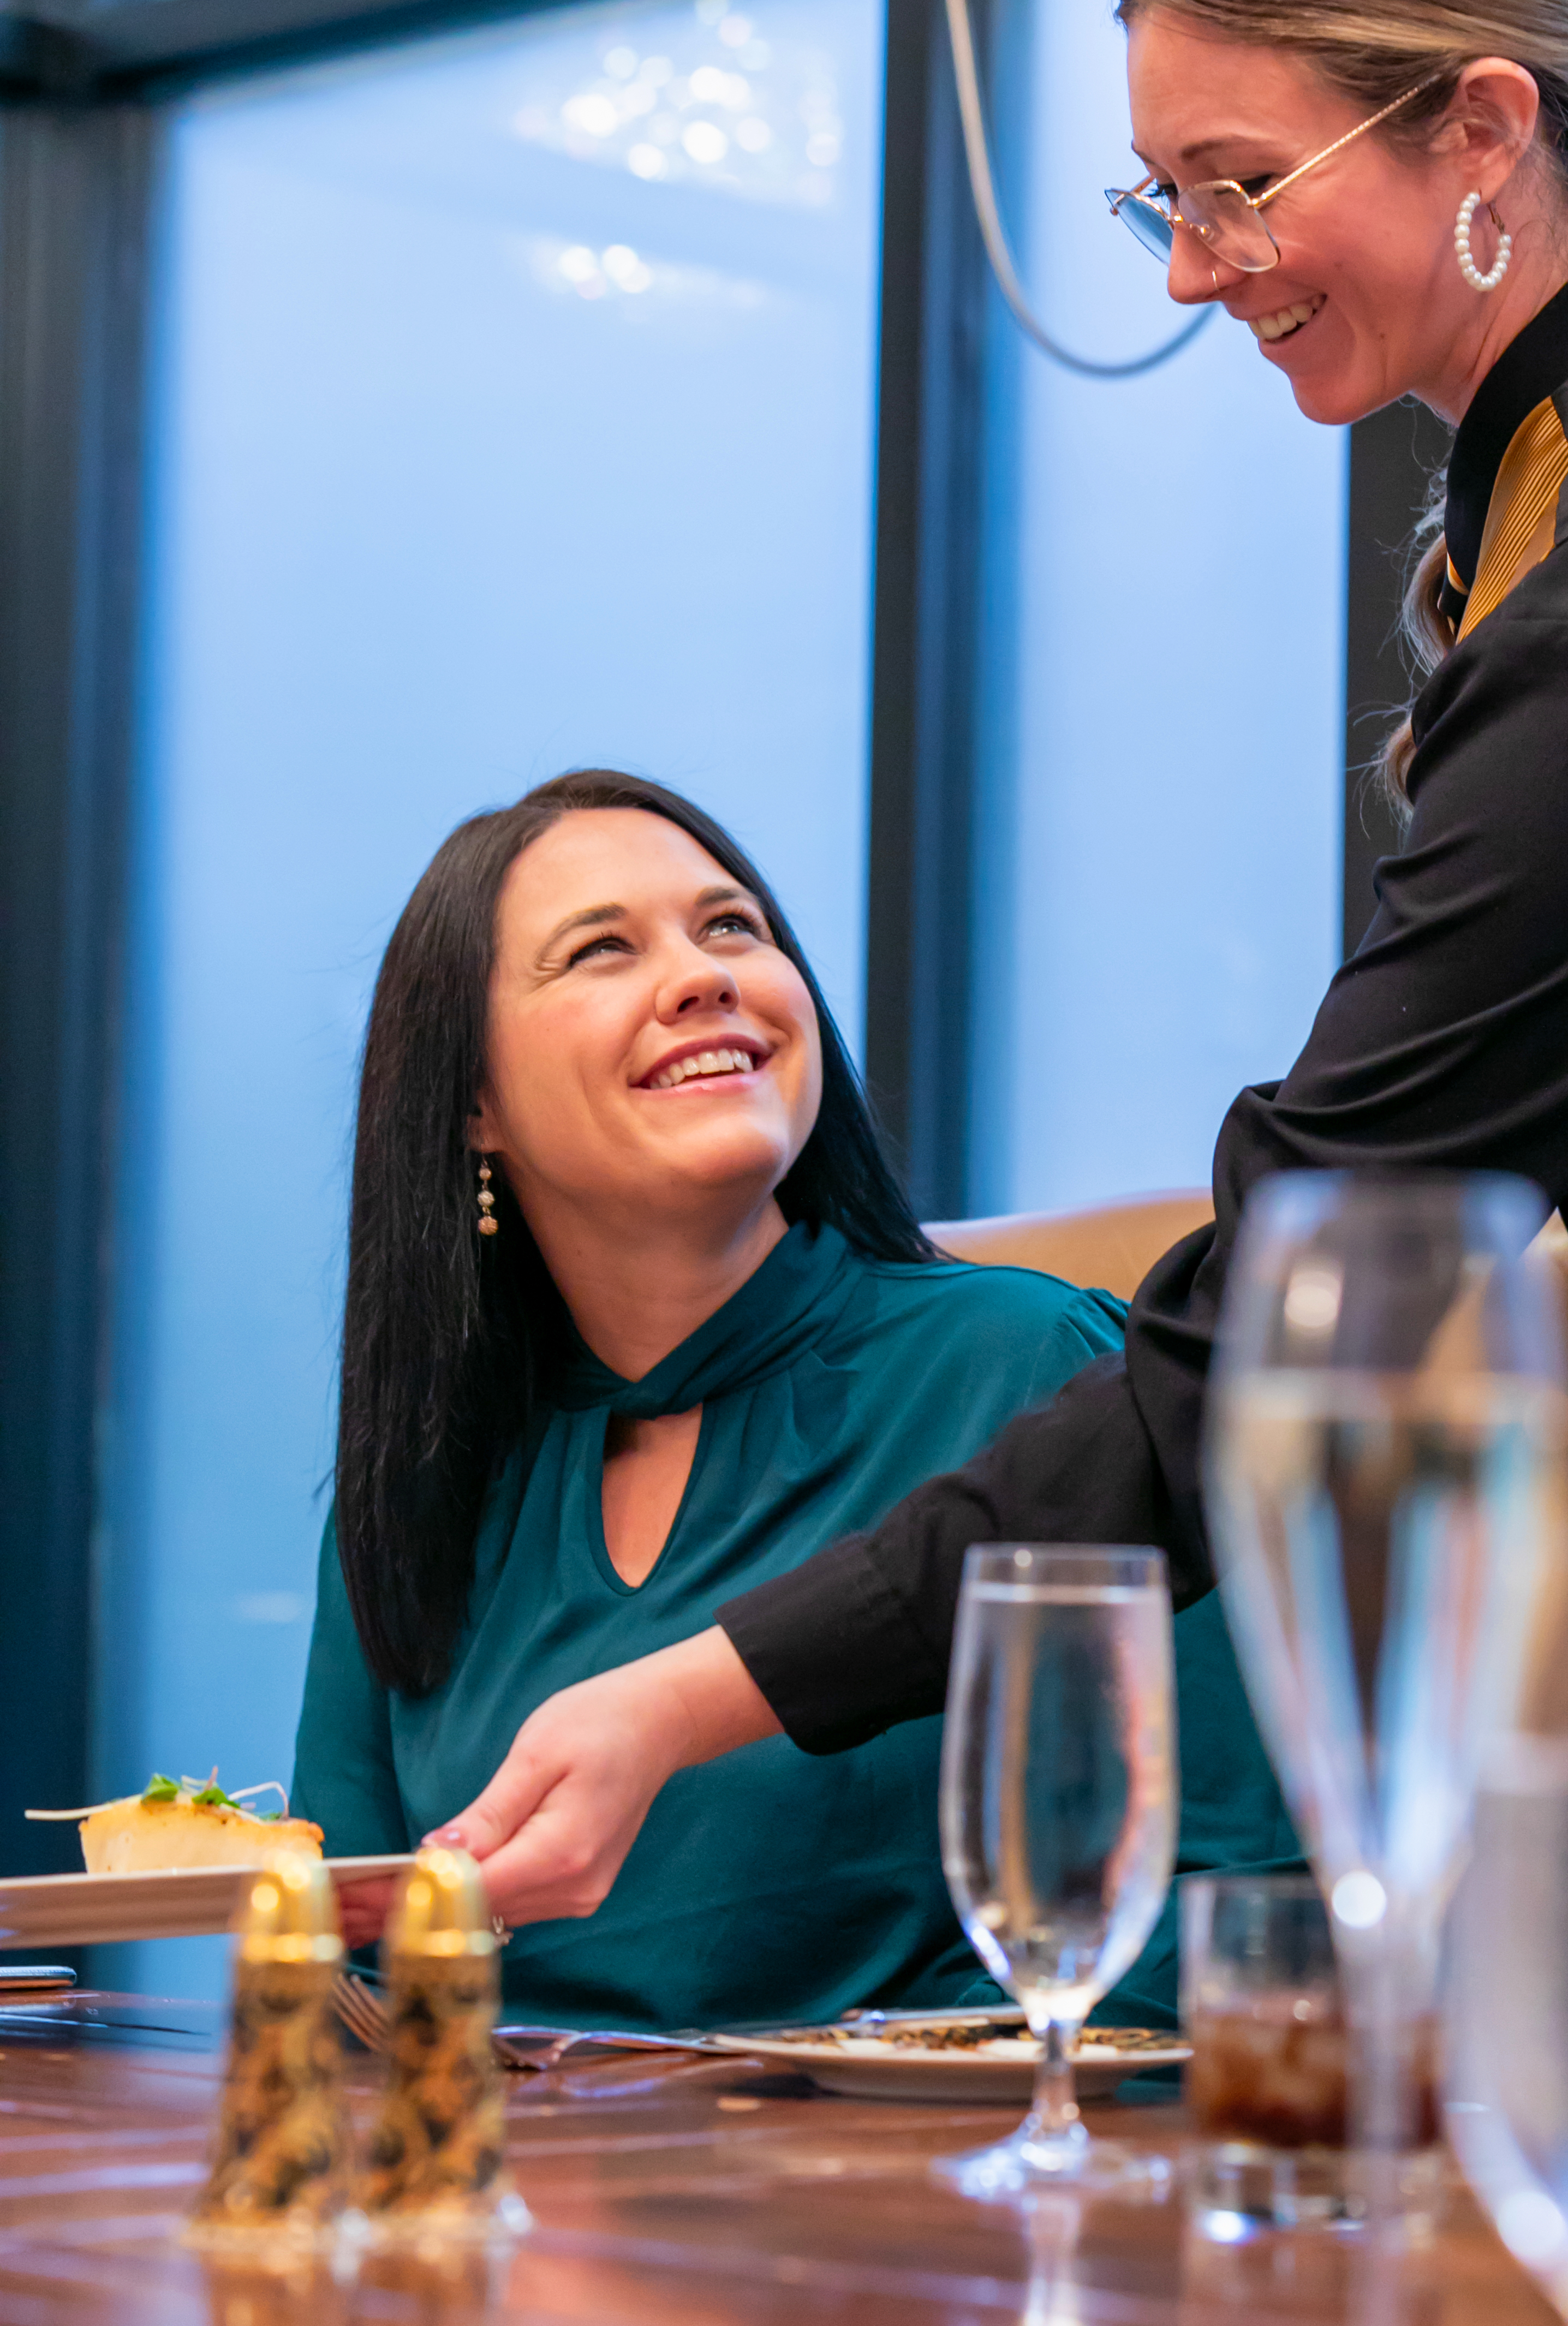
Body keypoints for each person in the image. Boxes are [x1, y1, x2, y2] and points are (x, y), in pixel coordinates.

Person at [431, 0, 1568, 1938]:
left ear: (1481, 126)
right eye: (1158, 200)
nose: (1194, 268)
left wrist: (692, 1695)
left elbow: (1309, 1292)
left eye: (1240, 186)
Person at [294, 768, 1295, 2025]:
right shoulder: (422, 1486)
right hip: (507, 2200)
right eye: (601, 949)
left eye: (734, 928)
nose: (706, 975)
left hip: (922, 2194)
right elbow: (338, 1981)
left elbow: (1225, 1916)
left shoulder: (1043, 1373)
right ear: (472, 1104)